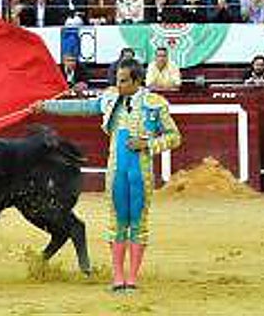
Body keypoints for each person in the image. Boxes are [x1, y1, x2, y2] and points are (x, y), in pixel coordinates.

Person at [36, 58, 181, 293]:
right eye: (117, 80)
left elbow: (175, 137)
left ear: (136, 81)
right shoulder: (111, 99)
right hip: (116, 172)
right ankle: (117, 278)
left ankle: (132, 279)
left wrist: (148, 143)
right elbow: (81, 107)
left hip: (141, 174)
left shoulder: (156, 104)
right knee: (117, 223)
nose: (118, 84)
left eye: (123, 81)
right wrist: (46, 106)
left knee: (138, 224)